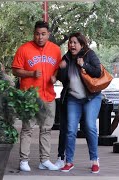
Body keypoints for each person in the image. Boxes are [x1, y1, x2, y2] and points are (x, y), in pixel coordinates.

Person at [11, 21, 62, 172]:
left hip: (49, 96)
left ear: (48, 34)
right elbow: (15, 70)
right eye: (37, 34)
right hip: (31, 97)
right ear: (34, 33)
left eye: (43, 34)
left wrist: (55, 77)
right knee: (27, 129)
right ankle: (23, 161)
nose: (40, 37)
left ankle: (44, 160)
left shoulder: (55, 50)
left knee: (46, 129)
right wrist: (30, 73)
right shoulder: (24, 49)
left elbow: (58, 68)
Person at [55, 32, 102, 173]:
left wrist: (84, 65)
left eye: (75, 42)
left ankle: (94, 160)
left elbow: (98, 72)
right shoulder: (67, 58)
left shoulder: (89, 54)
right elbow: (63, 80)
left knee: (89, 126)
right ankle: (69, 161)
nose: (72, 45)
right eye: (70, 42)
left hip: (91, 97)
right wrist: (61, 68)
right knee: (70, 129)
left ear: (82, 44)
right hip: (73, 99)